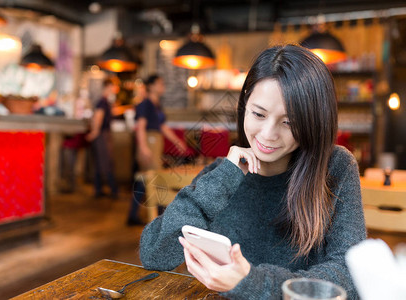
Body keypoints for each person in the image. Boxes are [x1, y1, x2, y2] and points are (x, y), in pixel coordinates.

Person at [139, 45, 366, 299]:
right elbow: (154, 253)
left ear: (313, 121)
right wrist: (224, 178)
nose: (268, 134)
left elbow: (351, 275)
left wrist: (251, 282)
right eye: (259, 113)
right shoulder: (222, 175)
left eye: (289, 122)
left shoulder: (336, 167)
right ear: (245, 105)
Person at [127, 74, 187, 225]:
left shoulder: (156, 105)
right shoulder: (146, 104)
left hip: (155, 142)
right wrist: (143, 147)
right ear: (151, 86)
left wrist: (177, 141)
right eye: (160, 83)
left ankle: (133, 215)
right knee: (156, 178)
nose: (163, 86)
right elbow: (140, 127)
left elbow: (162, 127)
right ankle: (160, 217)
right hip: (149, 142)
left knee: (144, 179)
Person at [86, 78, 119, 199]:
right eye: (112, 87)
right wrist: (95, 132)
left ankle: (99, 189)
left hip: (103, 134)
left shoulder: (105, 102)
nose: (114, 90)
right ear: (107, 86)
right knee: (106, 162)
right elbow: (98, 117)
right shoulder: (102, 102)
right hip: (102, 135)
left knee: (101, 163)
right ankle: (113, 190)